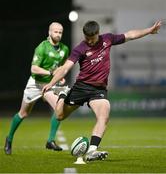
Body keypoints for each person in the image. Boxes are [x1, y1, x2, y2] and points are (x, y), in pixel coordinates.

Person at [42, 20, 162, 161]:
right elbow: (65, 68)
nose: (90, 42)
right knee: (59, 116)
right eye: (87, 39)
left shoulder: (108, 39)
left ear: (98, 34)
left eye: (92, 39)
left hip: (98, 90)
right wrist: (51, 83)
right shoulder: (80, 48)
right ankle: (63, 94)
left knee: (104, 116)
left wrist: (149, 30)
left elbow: (130, 35)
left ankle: (92, 151)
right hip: (81, 87)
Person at [4, 22, 70, 155]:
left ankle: (50, 140)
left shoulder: (64, 49)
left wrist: (60, 76)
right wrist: (51, 73)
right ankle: (9, 138)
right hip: (35, 84)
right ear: (49, 32)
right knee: (23, 114)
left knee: (59, 108)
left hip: (50, 85)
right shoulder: (42, 47)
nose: (58, 34)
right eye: (56, 31)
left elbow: (62, 67)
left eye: (60, 32)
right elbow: (33, 68)